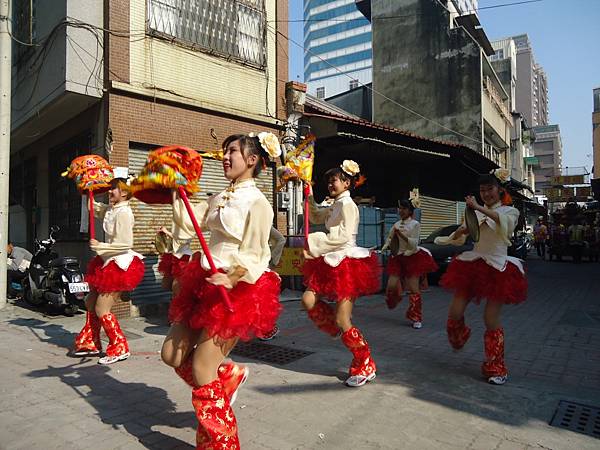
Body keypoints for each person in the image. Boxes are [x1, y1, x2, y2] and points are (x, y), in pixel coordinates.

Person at [161, 132, 282, 449]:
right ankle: (227, 376)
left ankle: (221, 442)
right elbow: (188, 224)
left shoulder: (258, 203)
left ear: (252, 160)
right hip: (202, 282)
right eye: (225, 152)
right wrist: (178, 195)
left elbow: (257, 254)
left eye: (233, 152)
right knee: (172, 355)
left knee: (202, 367)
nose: (225, 157)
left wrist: (232, 277)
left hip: (235, 288)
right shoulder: (218, 198)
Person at [437, 170, 527, 385]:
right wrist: (458, 233)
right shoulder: (475, 212)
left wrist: (477, 208)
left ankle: (496, 367)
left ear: (500, 190)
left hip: (498, 266)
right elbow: (464, 232)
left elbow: (504, 223)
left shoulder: (510, 211)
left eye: (490, 189)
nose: (486, 193)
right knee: (455, 312)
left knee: (490, 318)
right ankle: (460, 337)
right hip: (473, 263)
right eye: (482, 190)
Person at [301, 160, 381, 388]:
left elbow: (344, 237)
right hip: (329, 259)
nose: (330, 185)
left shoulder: (348, 205)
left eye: (333, 180)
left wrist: (315, 243)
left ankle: (365, 361)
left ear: (347, 182)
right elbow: (317, 216)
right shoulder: (335, 203)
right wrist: (308, 194)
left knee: (342, 318)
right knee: (308, 300)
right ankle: (337, 329)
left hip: (346, 262)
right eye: (328, 182)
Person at [72, 178, 145, 365]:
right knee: (89, 301)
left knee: (101, 308)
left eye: (114, 189)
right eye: (111, 188)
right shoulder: (112, 209)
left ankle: (120, 346)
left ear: (125, 193)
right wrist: (86, 189)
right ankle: (92, 342)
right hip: (106, 261)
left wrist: (101, 246)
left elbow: (126, 243)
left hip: (119, 263)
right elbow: (93, 207)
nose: (110, 191)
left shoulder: (125, 213)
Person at [382, 196, 438, 329]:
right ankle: (396, 298)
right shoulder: (396, 224)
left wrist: (400, 235)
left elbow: (414, 243)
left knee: (413, 289)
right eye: (400, 208)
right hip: (398, 257)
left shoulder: (415, 224)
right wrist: (385, 247)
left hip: (412, 257)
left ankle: (416, 317)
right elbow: (390, 239)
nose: (401, 211)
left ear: (410, 210)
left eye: (404, 208)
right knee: (391, 285)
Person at [259, 226, 286, 341]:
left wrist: (272, 259)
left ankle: (266, 328)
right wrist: (273, 260)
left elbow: (281, 239)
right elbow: (281, 240)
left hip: (255, 263)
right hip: (259, 263)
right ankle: (265, 329)